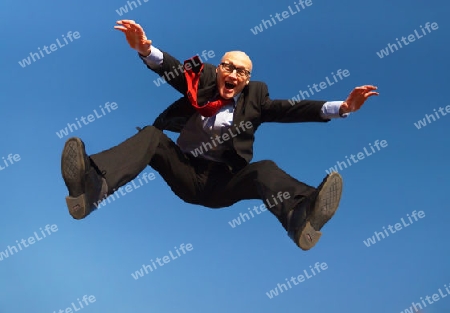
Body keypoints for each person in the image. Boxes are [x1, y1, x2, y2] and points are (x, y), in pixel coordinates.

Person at [60, 19, 378, 251]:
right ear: (220, 68)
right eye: (228, 67)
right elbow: (172, 69)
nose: (233, 75)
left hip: (222, 183)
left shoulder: (256, 100)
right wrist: (145, 49)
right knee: (152, 137)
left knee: (263, 169)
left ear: (247, 79)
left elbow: (293, 110)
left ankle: (301, 216)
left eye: (241, 72)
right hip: (185, 171)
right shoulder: (205, 81)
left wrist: (344, 107)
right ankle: (91, 187)